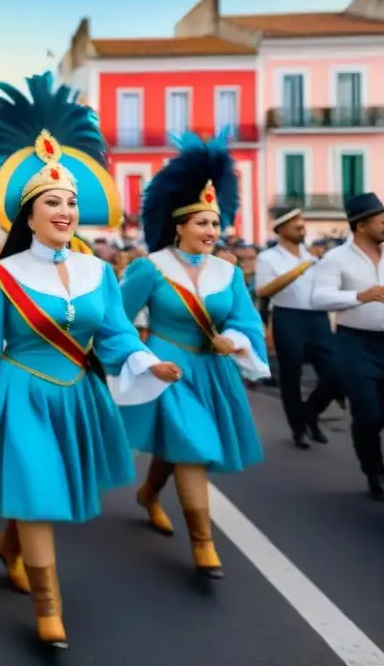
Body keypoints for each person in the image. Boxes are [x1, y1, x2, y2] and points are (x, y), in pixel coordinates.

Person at [0, 72, 179, 650]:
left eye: (73, 201)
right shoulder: (1, 277)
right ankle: (48, 608)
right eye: (53, 200)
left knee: (41, 491)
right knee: (37, 491)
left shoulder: (99, 271)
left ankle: (9, 545)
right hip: (20, 393)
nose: (66, 209)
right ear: (28, 216)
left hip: (77, 393)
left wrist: (146, 362)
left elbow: (116, 332)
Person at [117, 134, 270, 579]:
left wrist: (236, 341)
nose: (211, 231)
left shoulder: (228, 271)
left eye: (216, 223)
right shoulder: (151, 267)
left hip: (214, 370)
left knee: (184, 443)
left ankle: (149, 493)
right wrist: (142, 360)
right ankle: (203, 543)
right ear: (179, 225)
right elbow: (117, 321)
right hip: (169, 368)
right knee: (192, 450)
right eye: (202, 223)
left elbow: (246, 321)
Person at [310, 193, 384, 501]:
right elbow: (319, 298)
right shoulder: (335, 259)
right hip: (356, 342)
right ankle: (375, 473)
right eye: (381, 220)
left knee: (379, 413)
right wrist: (360, 296)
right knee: (367, 413)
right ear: (360, 225)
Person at [255, 207, 339, 448]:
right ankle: (298, 428)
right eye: (296, 225)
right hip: (288, 318)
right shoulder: (268, 258)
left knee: (335, 374)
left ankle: (310, 412)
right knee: (291, 376)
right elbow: (263, 290)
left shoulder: (312, 254)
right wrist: (299, 269)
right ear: (281, 229)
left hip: (317, 319)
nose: (302, 228)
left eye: (303, 224)